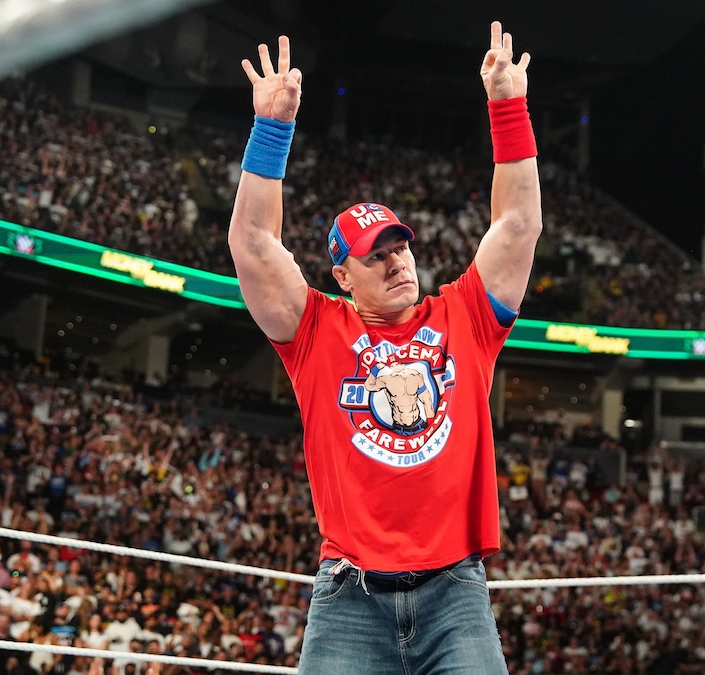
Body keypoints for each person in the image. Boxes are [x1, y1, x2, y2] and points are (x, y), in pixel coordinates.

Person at [229, 19, 540, 673]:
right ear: (343, 276)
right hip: (351, 594)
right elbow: (254, 245)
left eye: (401, 248)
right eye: (378, 256)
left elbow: (518, 225)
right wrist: (272, 130)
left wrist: (508, 108)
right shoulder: (317, 331)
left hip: (455, 591)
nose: (398, 262)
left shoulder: (465, 315)